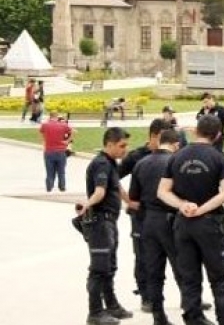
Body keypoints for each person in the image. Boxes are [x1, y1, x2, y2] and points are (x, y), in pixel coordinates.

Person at [158, 115, 224, 325]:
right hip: (209, 223)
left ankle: (192, 319)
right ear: (218, 135)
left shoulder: (177, 156)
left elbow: (163, 191)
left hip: (183, 223)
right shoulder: (219, 157)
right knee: (220, 278)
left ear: (195, 131)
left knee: (190, 278)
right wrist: (203, 208)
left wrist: (183, 205)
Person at [77, 127, 133, 325]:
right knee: (99, 269)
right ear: (109, 144)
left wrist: (131, 203)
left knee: (109, 266)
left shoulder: (110, 163)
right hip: (100, 222)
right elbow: (100, 191)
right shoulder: (101, 163)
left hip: (109, 221)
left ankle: (111, 306)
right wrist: (88, 204)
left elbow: (117, 187)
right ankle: (95, 312)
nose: (125, 150)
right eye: (121, 146)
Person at [129, 129, 183, 325]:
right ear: (175, 144)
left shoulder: (141, 163)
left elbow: (133, 196)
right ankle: (191, 309)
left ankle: (158, 315)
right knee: (182, 267)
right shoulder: (175, 162)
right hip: (170, 220)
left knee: (153, 271)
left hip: (148, 221)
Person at [119, 118, 172, 310]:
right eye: (163, 138)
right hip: (141, 215)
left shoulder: (172, 155)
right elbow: (112, 177)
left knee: (177, 255)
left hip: (167, 214)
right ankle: (146, 297)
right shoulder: (136, 157)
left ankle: (188, 296)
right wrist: (128, 200)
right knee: (143, 257)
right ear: (153, 136)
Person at [40, 111, 74, 192]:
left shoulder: (45, 125)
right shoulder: (63, 125)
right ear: (57, 116)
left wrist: (44, 141)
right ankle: (62, 187)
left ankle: (49, 186)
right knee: (61, 171)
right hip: (61, 151)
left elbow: (41, 132)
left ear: (50, 116)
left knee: (49, 171)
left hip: (49, 151)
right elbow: (73, 131)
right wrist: (67, 141)